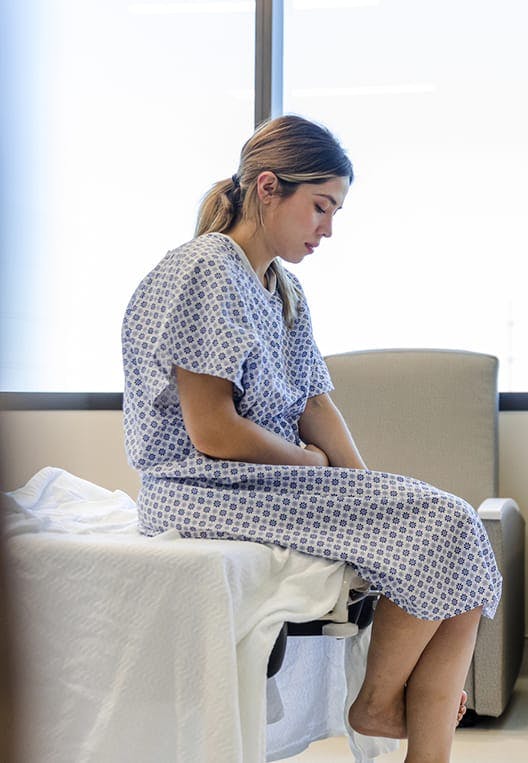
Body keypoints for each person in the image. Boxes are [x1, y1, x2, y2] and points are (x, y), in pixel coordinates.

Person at [121, 114, 502, 763]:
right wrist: (307, 462)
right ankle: (378, 703)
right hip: (201, 487)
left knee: (460, 537)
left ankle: (421, 746)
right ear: (268, 188)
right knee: (447, 522)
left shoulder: (283, 288)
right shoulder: (204, 269)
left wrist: (367, 489)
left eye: (336, 211)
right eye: (321, 206)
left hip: (265, 480)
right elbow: (211, 429)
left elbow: (315, 402)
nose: (328, 227)